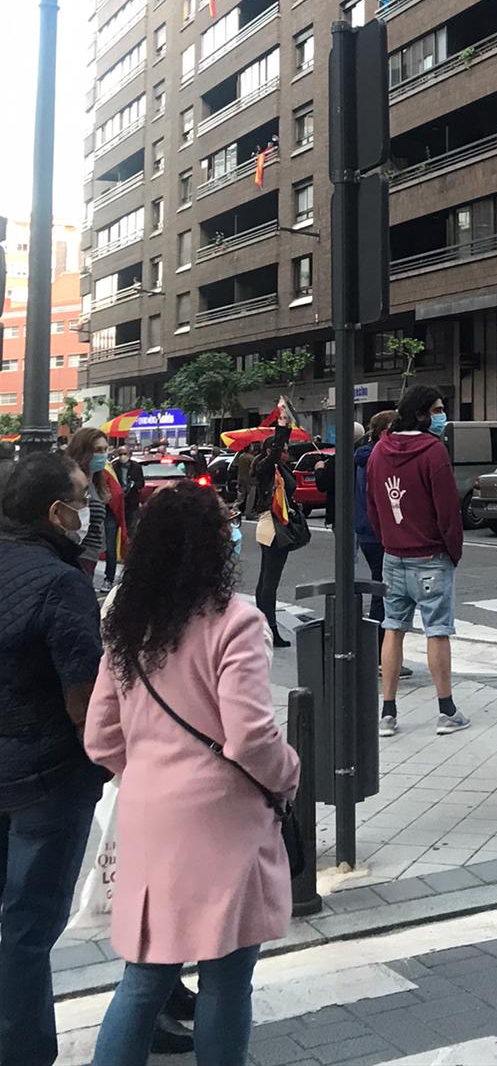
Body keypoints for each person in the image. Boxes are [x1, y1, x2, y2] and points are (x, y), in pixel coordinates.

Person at [85, 481, 300, 1066]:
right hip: (225, 821)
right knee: (228, 977)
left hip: (150, 816)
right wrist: (288, 774)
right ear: (215, 547)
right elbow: (251, 734)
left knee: (144, 978)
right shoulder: (234, 620)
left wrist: (151, 770)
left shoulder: (125, 621)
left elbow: (100, 737)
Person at [0, 454, 105, 1066]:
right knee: (29, 930)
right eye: (81, 497)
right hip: (48, 778)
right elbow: (83, 697)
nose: (85, 511)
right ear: (55, 512)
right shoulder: (58, 581)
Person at [367, 386, 468, 737]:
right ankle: (446, 709)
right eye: (438, 410)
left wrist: (388, 540)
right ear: (423, 414)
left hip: (394, 554)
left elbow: (373, 504)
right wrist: (452, 550)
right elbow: (448, 511)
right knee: (437, 631)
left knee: (393, 627)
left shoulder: (380, 450)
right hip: (430, 555)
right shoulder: (433, 452)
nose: (442, 416)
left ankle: (388, 712)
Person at [354, 411, 405, 665]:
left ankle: (379, 652)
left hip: (368, 530)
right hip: (377, 532)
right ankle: (381, 654)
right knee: (385, 592)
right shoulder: (379, 457)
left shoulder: (367, 456)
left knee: (382, 589)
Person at [247, 430, 302, 649]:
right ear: (272, 451)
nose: (287, 453)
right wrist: (283, 426)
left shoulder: (278, 467)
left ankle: (265, 627)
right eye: (284, 450)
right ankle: (270, 629)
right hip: (273, 526)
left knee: (267, 580)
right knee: (270, 581)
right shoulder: (267, 467)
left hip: (274, 524)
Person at [65, 426, 113, 578]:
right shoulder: (73, 480)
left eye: (105, 449)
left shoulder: (96, 481)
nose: (103, 455)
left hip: (90, 556)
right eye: (97, 450)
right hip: (77, 556)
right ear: (83, 451)